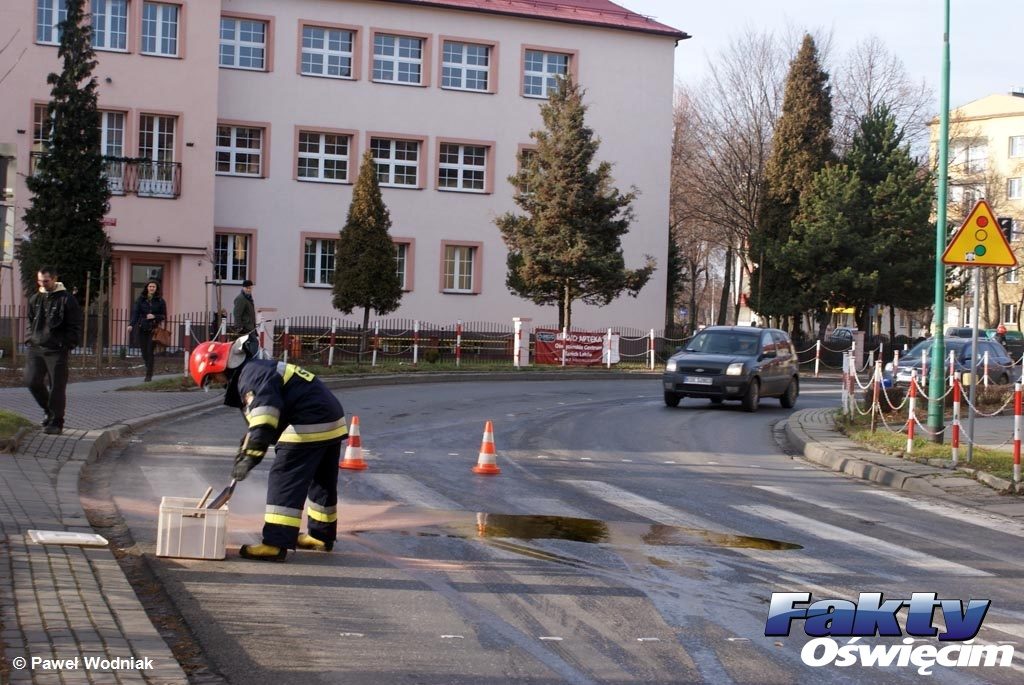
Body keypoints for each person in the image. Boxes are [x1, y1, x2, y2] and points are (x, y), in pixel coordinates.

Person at [189, 333, 348, 562]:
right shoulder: (255, 369)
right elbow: (263, 418)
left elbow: (264, 421)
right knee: (321, 480)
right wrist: (245, 447)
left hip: (307, 423)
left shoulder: (250, 376)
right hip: (330, 420)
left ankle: (275, 543)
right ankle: (321, 537)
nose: (217, 384)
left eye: (213, 379)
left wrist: (251, 456)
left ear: (218, 366)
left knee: (284, 476)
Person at [24, 266, 82, 435]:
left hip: (57, 350)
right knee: (31, 381)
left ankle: (56, 422)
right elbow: (30, 321)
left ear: (54, 279)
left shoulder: (67, 299)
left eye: (46, 281)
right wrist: (29, 338)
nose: (42, 284)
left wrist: (66, 344)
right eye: (40, 281)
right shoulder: (35, 298)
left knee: (57, 386)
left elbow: (75, 325)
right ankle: (48, 410)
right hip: (36, 347)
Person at [127, 280, 167, 382]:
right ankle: (148, 365)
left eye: (154, 287)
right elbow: (135, 313)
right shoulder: (140, 300)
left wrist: (154, 316)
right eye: (150, 286)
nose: (152, 288)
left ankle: (148, 375)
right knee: (144, 352)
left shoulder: (160, 301)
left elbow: (163, 316)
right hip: (142, 328)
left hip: (153, 330)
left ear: (156, 288)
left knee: (150, 351)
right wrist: (131, 325)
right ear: (147, 288)